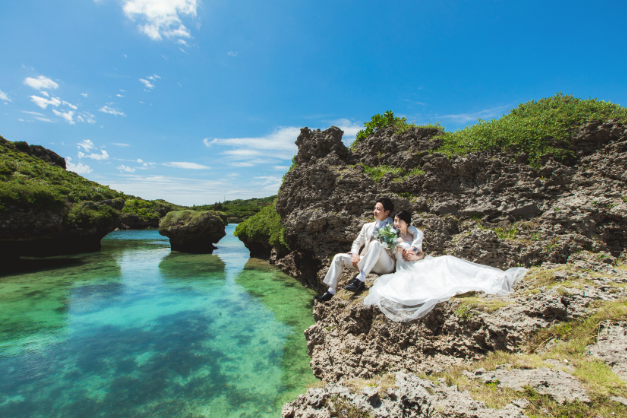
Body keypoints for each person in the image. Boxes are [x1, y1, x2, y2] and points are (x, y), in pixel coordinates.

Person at [363, 211, 527, 322]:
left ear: (406, 223)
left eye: (399, 221)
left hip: (419, 263)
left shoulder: (413, 235)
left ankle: (490, 278)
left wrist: (415, 255)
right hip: (405, 268)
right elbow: (389, 254)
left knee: (447, 261)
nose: (396, 223)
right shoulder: (393, 237)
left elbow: (421, 254)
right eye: (395, 221)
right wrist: (395, 248)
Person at [314, 198, 421, 302]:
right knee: (338, 257)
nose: (375, 211)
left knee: (375, 244)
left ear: (387, 212)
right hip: (367, 261)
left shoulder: (394, 224)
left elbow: (414, 231)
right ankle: (330, 291)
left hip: (385, 264)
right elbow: (357, 242)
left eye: (378, 209)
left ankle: (360, 280)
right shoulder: (367, 226)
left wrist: (414, 248)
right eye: (375, 208)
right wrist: (355, 254)